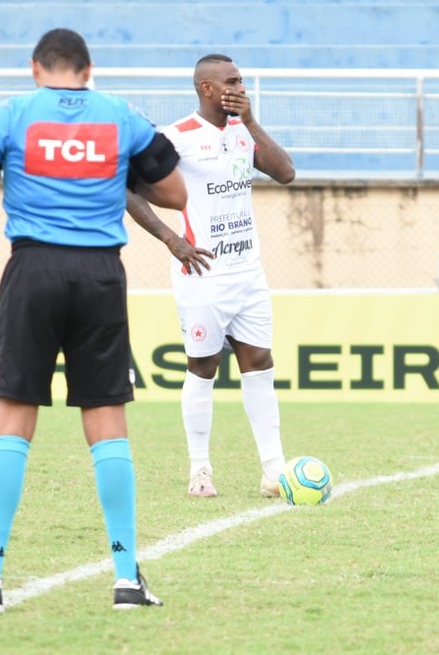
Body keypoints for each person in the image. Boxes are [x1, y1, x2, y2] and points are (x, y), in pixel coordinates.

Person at [0, 27, 187, 612]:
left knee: (13, 421)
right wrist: (107, 168)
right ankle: (127, 580)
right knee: (107, 421)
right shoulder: (121, 116)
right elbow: (174, 194)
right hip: (100, 276)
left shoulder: (11, 115)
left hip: (33, 271)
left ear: (35, 68)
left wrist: (3, 170)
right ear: (88, 70)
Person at [125, 53, 296, 499]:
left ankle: (274, 469)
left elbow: (286, 173)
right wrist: (170, 238)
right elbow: (126, 188)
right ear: (206, 88)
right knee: (204, 367)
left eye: (241, 80)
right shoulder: (175, 137)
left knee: (260, 364)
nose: (240, 87)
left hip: (248, 273)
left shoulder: (243, 131)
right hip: (202, 274)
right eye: (232, 81)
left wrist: (252, 121)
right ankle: (200, 470)